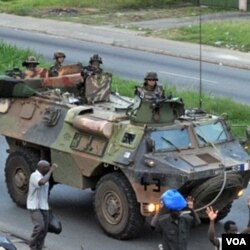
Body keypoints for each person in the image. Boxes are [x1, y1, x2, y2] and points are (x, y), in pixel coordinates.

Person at [27, 160, 57, 250]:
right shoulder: (34, 176)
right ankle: (32, 245)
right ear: (42, 168)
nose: (48, 169)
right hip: (34, 206)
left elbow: (44, 193)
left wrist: (48, 206)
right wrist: (51, 171)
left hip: (44, 206)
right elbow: (42, 182)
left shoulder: (44, 176)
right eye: (47, 168)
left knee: (45, 230)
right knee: (40, 227)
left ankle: (38, 247)